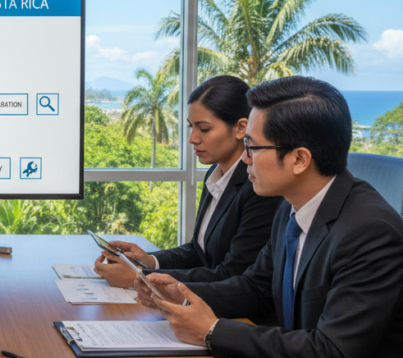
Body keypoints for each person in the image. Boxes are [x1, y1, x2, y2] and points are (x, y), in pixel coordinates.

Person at [136, 76, 403, 358]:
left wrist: (212, 330)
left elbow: (332, 354)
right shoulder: (291, 207)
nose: (245, 159)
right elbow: (257, 287)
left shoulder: (369, 232)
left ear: (299, 159)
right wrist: (181, 291)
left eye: (253, 147)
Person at [95, 75, 282, 287]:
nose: (193, 138)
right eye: (191, 127)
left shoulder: (259, 187)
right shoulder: (215, 173)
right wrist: (150, 261)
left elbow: (232, 273)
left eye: (204, 129)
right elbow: (199, 251)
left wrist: (143, 277)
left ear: (241, 128)